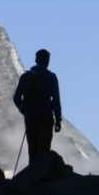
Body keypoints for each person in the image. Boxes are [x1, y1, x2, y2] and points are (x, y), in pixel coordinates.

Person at [12, 49, 62, 178]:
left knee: (33, 148)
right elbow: (56, 100)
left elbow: (17, 98)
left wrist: (24, 110)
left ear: (36, 60)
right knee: (44, 148)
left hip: (31, 117)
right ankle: (42, 179)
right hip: (46, 117)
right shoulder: (51, 77)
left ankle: (32, 178)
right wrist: (58, 120)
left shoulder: (26, 77)